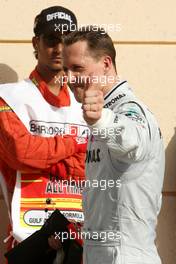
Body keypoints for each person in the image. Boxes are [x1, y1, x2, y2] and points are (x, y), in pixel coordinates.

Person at [63, 26, 165, 264]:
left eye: (77, 68)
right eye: (66, 70)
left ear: (106, 64)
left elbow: (134, 141)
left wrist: (102, 120)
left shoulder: (128, 110)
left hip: (125, 255)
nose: (68, 78)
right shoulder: (104, 111)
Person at [0, 6, 87, 262]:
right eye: (51, 39)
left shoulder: (88, 101)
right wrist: (75, 144)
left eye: (66, 40)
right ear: (36, 42)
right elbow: (21, 153)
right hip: (28, 240)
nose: (59, 48)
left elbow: (95, 164)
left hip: (79, 241)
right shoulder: (8, 96)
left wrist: (46, 158)